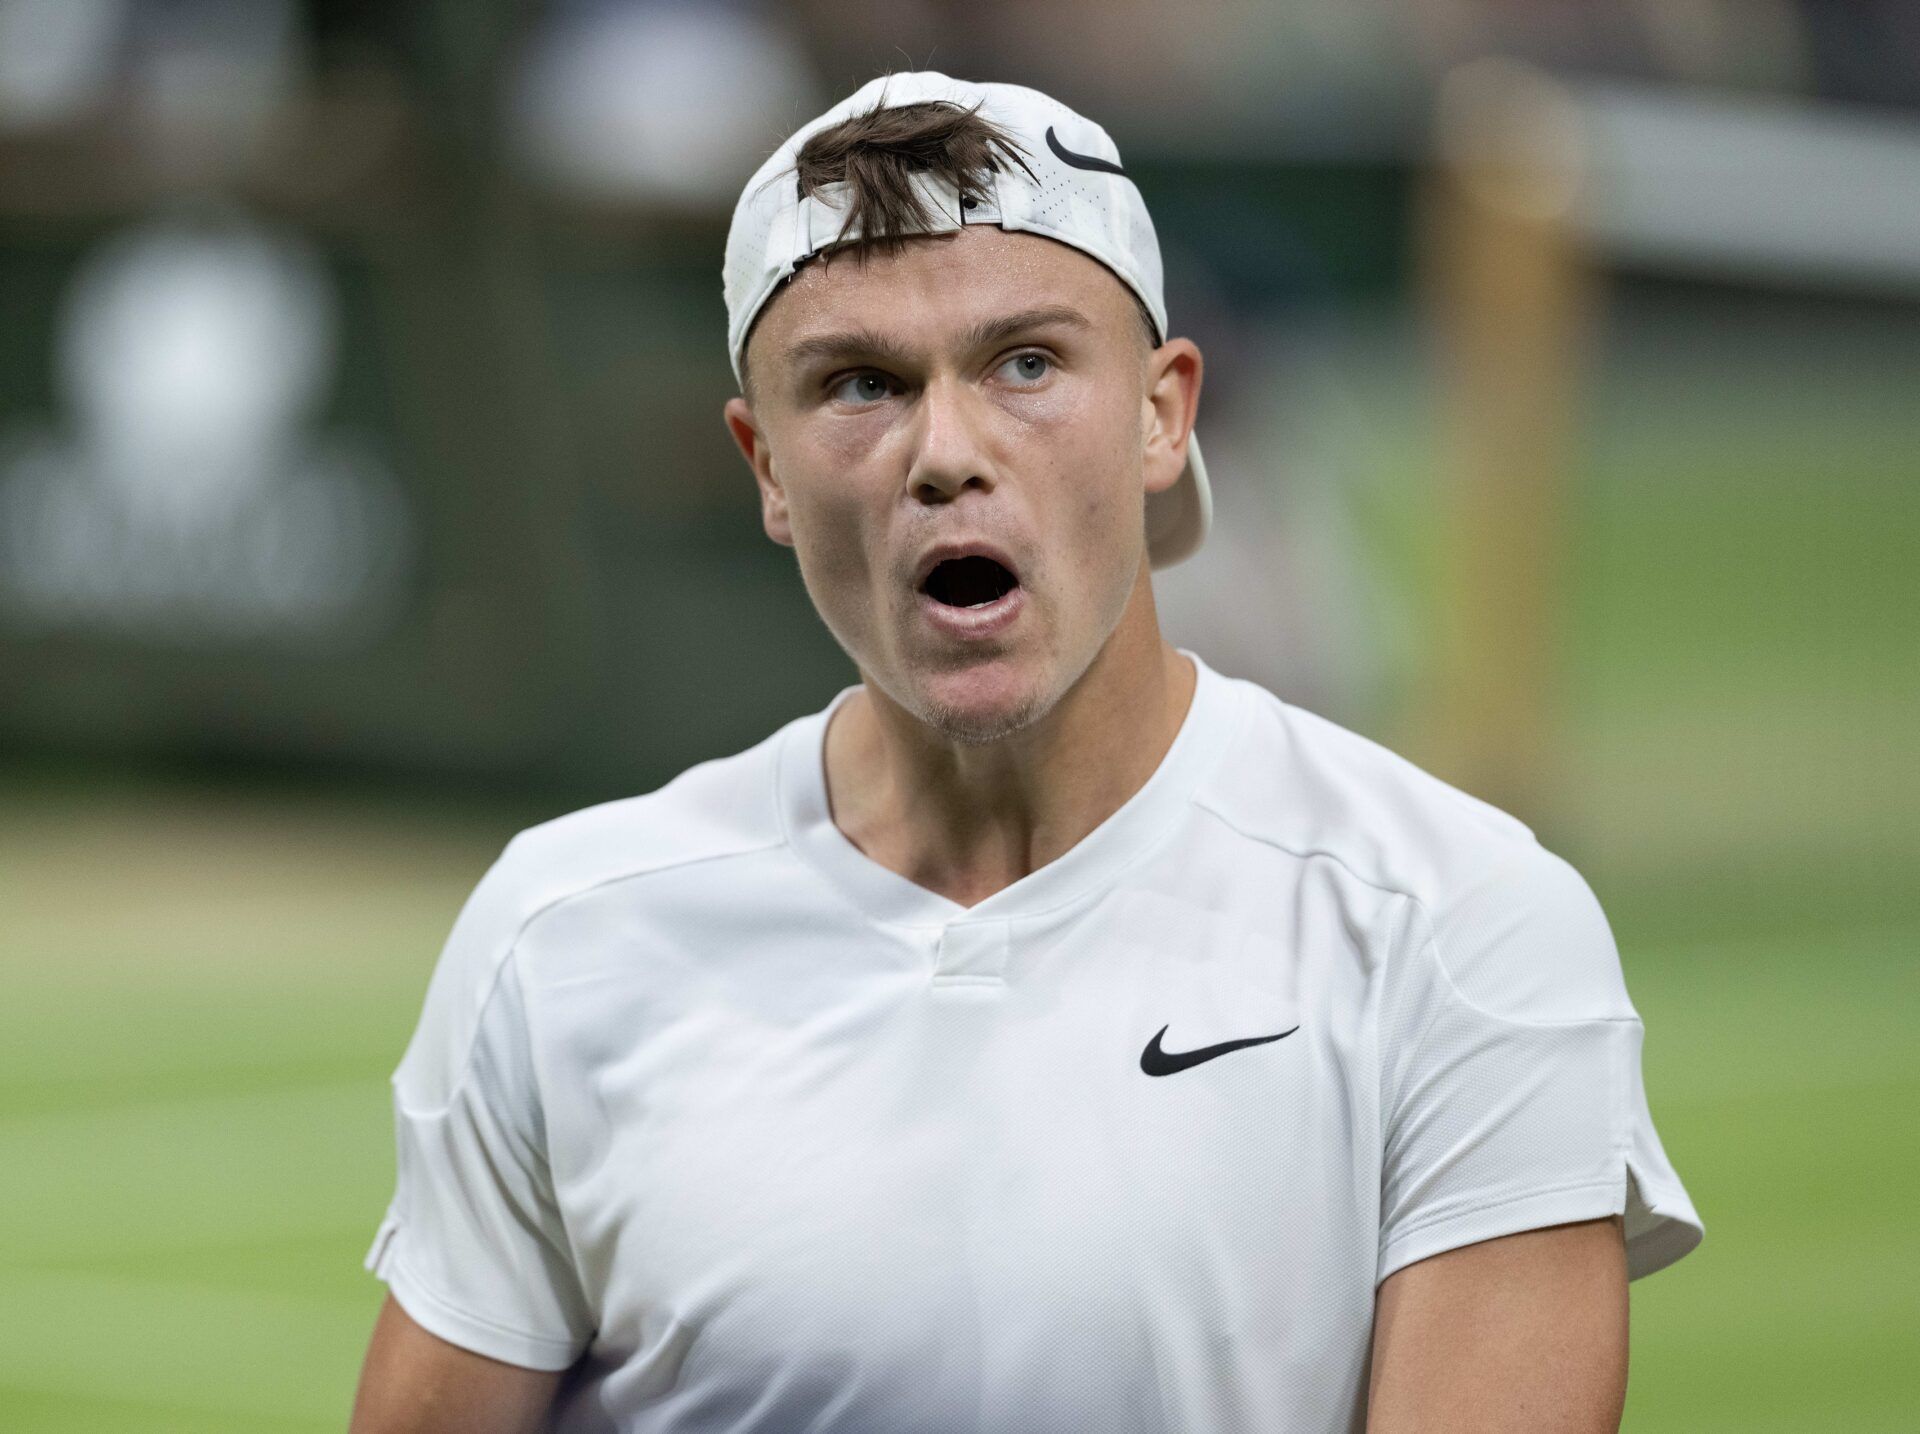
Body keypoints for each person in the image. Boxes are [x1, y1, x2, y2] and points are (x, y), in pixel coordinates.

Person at [349, 71, 1703, 1434]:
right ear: (764, 467)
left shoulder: (1457, 926)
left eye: (1027, 363)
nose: (947, 452)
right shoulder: (559, 935)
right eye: (860, 384)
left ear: (1167, 412)